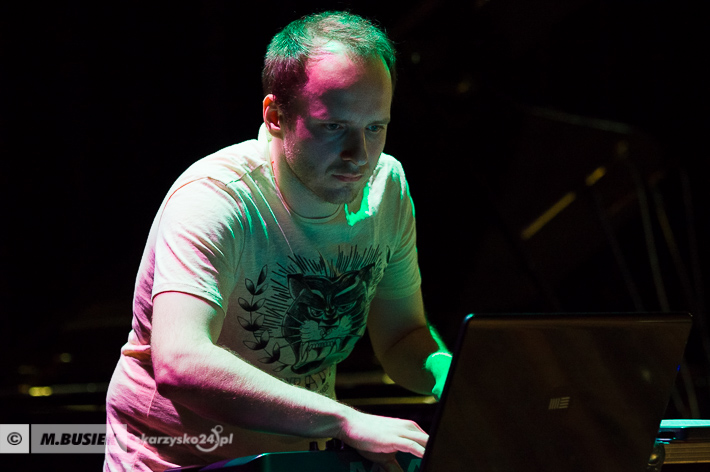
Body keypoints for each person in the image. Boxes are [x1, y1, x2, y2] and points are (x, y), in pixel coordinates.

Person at [105, 11, 452, 472]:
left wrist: (455, 377)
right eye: (334, 127)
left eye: (375, 127)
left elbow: (402, 336)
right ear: (274, 115)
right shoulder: (216, 199)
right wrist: (345, 420)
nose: (359, 155)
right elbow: (180, 362)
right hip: (177, 462)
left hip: (294, 458)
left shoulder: (386, 186)